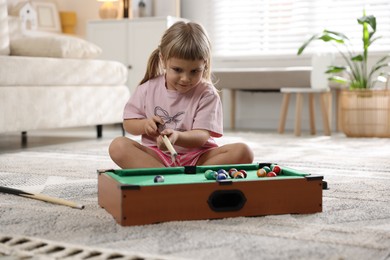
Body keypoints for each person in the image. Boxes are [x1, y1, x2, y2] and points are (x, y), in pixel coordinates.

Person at [109, 21, 253, 168]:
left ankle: (168, 179)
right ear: (163, 60)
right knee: (118, 146)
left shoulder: (207, 94)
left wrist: (177, 137)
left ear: (204, 64)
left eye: (194, 71)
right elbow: (129, 123)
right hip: (158, 156)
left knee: (244, 151)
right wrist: (145, 125)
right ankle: (170, 176)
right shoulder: (147, 88)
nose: (185, 78)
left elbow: (202, 135)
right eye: (177, 70)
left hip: (199, 158)